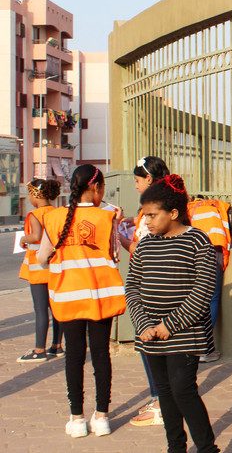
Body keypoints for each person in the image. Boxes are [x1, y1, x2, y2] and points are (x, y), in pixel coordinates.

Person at [124, 174, 220, 453]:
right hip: (150, 335)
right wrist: (143, 324)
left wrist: (171, 324)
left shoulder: (197, 241)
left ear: (174, 213)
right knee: (164, 393)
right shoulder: (145, 244)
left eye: (152, 215)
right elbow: (132, 287)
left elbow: (203, 290)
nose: (147, 222)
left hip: (184, 334)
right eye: (144, 216)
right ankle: (175, 446)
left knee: (183, 390)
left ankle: (207, 448)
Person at [36, 164, 126, 438]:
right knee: (101, 354)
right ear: (95, 187)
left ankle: (76, 419)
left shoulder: (54, 217)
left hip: (67, 297)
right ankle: (102, 417)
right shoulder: (107, 215)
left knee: (74, 357)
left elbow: (42, 258)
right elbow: (114, 255)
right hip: (100, 296)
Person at [121, 156, 170, 427]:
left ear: (149, 179)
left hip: (153, 286)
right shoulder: (169, 203)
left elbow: (146, 249)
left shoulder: (153, 210)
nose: (136, 186)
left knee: (150, 344)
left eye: (138, 181)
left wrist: (123, 239)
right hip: (163, 283)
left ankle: (161, 401)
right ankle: (163, 398)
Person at [17, 179, 62, 363]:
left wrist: (23, 239)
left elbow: (35, 236)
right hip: (54, 265)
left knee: (40, 309)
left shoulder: (35, 214)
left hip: (38, 268)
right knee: (56, 308)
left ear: (36, 194)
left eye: (30, 194)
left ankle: (39, 349)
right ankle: (57, 346)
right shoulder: (57, 212)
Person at [187, 195, 232, 363]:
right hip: (214, 254)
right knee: (212, 299)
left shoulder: (191, 209)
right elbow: (225, 236)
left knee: (197, 299)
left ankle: (194, 347)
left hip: (193, 255)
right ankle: (204, 349)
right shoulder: (217, 208)